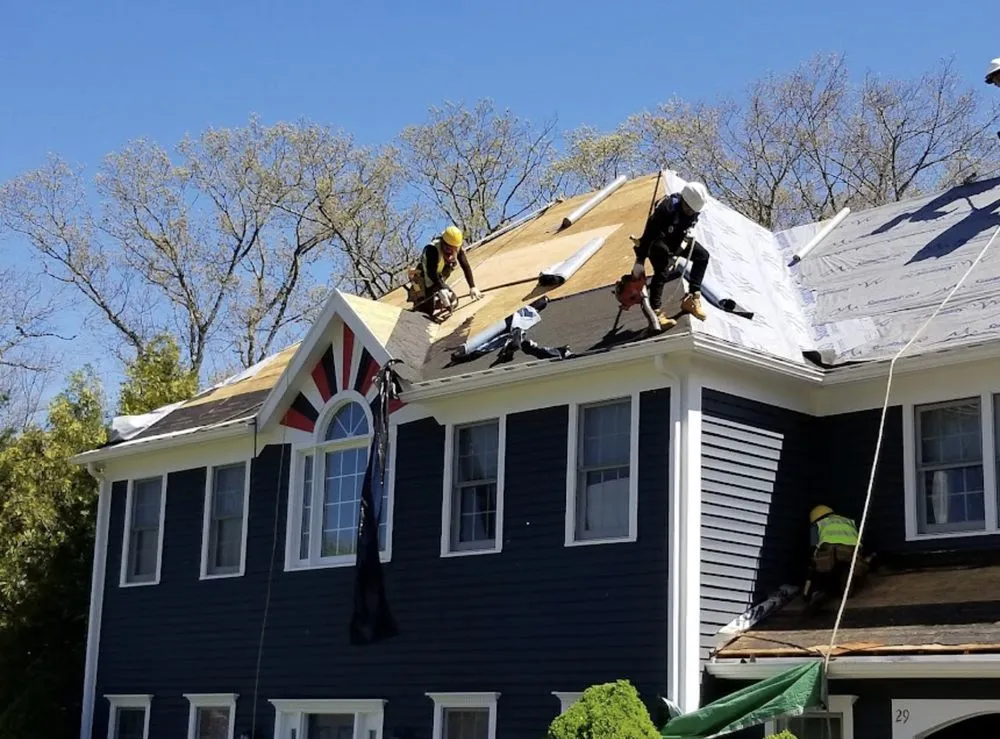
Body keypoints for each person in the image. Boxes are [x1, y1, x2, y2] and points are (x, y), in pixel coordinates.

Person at [631, 181, 711, 329]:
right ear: (683, 201)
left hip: (677, 240)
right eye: (689, 209)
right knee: (662, 270)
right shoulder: (667, 208)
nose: (691, 213)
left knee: (702, 256)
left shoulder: (694, 210)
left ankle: (691, 299)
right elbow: (648, 234)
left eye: (694, 211)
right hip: (657, 241)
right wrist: (640, 260)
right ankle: (655, 311)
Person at [803, 505, 867, 610]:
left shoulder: (818, 524)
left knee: (820, 567)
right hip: (851, 550)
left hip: (829, 549)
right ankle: (847, 587)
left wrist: (812, 560)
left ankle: (818, 591)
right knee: (852, 568)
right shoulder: (848, 521)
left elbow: (813, 546)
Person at [408, 225, 482, 316]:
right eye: (447, 248)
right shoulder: (432, 249)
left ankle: (436, 300)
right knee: (427, 311)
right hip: (425, 278)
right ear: (443, 241)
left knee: (452, 301)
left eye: (453, 249)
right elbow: (431, 274)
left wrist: (472, 287)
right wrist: (441, 288)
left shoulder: (456, 246)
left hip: (438, 276)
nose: (450, 252)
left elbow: (465, 265)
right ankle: (421, 302)